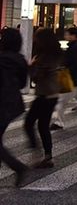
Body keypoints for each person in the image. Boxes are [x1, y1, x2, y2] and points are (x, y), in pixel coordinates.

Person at [24, 29, 63, 169]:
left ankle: (38, 153)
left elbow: (36, 77)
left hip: (44, 95)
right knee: (43, 125)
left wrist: (31, 65)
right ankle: (47, 156)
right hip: (52, 94)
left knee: (29, 123)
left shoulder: (44, 57)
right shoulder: (55, 54)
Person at [0, 28, 29, 186]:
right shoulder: (20, 59)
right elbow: (22, 83)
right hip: (13, 103)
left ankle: (18, 167)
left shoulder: (2, 58)